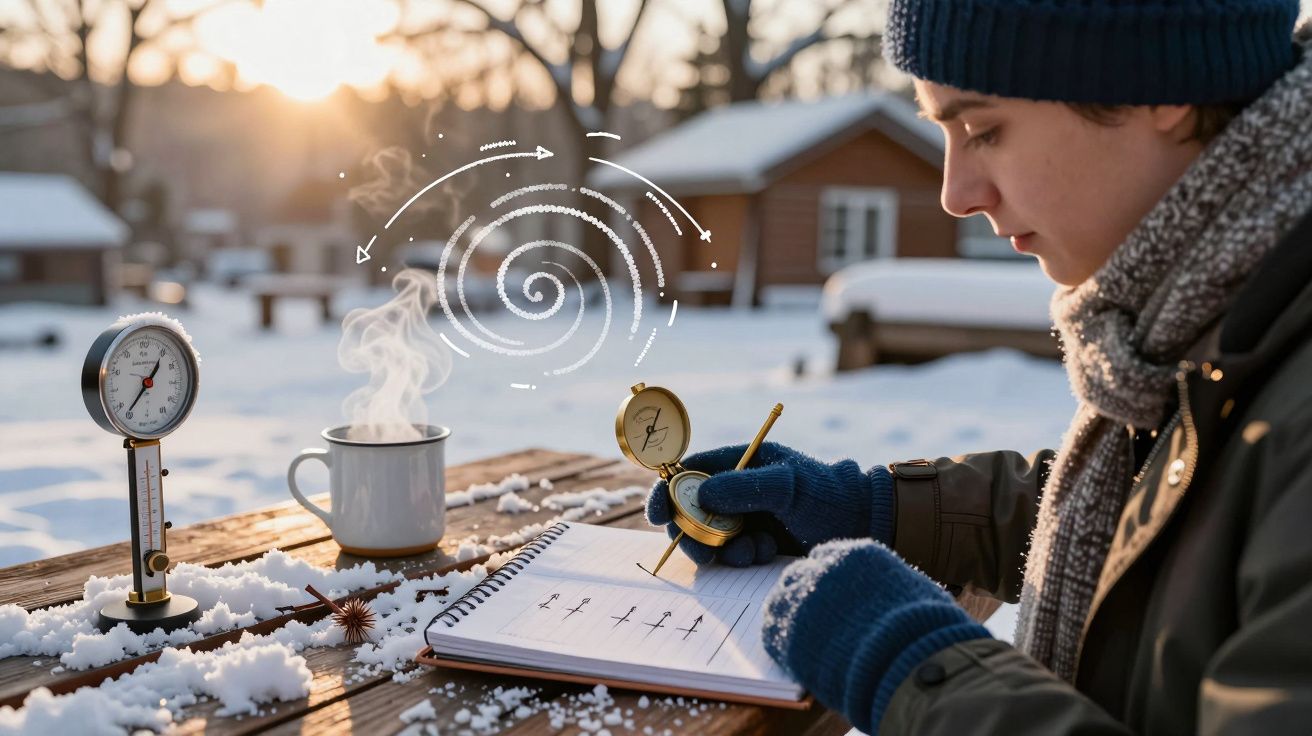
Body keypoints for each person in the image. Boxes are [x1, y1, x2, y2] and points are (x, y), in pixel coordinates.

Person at [644, 2, 1312, 733]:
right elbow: (1164, 518)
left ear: (1166, 89)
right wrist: (874, 512)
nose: (956, 195)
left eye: (985, 130)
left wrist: (917, 669)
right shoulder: (1214, 317)